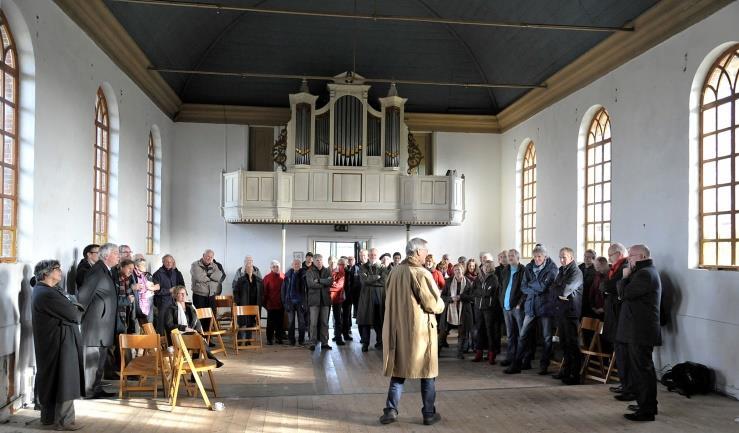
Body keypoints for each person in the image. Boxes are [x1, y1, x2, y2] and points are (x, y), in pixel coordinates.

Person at [379, 238, 445, 426]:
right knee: (427, 373)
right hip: (419, 332)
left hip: (398, 329)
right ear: (416, 252)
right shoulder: (421, 273)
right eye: (425, 251)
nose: (427, 254)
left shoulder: (394, 271)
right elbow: (433, 304)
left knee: (398, 372)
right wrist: (441, 302)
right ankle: (429, 414)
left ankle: (390, 410)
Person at [32, 260, 85, 431]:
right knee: (65, 380)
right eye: (56, 269)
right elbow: (74, 313)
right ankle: (65, 422)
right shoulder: (46, 293)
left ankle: (48, 419)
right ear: (46, 273)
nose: (60, 272)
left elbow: (73, 305)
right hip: (58, 342)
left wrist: (72, 303)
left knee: (53, 379)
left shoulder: (49, 290)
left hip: (56, 340)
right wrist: (73, 305)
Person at [617, 244, 661, 422]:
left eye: (631, 256)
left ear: (642, 255)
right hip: (637, 330)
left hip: (640, 331)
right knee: (641, 370)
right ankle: (646, 404)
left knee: (642, 370)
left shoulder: (644, 274)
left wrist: (624, 277)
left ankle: (647, 410)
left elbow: (624, 293)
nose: (628, 260)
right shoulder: (644, 272)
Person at [504, 244, 558, 375]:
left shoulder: (553, 268)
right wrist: (535, 287)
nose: (537, 259)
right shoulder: (529, 267)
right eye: (535, 256)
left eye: (539, 256)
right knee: (523, 335)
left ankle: (544, 365)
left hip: (546, 307)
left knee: (546, 337)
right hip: (531, 306)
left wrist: (532, 286)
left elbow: (543, 287)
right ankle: (517, 364)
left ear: (545, 256)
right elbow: (523, 287)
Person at [77, 242, 119, 398]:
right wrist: (78, 322)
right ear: (106, 255)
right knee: (93, 361)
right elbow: (83, 297)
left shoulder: (106, 270)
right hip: (95, 325)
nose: (118, 256)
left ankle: (95, 388)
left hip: (103, 325)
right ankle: (89, 391)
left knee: (100, 360)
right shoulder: (97, 272)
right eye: (116, 253)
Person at [164, 286, 223, 368]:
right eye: (180, 294)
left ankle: (194, 374)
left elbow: (197, 322)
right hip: (178, 337)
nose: (183, 295)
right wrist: (184, 328)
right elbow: (169, 325)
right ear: (175, 296)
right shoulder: (171, 309)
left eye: (184, 293)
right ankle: (212, 359)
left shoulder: (190, 307)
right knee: (197, 340)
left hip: (192, 335)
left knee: (197, 340)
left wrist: (200, 332)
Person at [602, 243, 631, 395]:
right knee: (618, 351)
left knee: (623, 351)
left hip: (619, 314)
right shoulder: (616, 267)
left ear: (619, 253)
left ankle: (627, 385)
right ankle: (623, 383)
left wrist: (606, 285)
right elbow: (606, 285)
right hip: (613, 313)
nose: (609, 258)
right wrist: (606, 285)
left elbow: (612, 285)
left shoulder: (625, 266)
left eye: (611, 254)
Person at [551, 247, 583, 385]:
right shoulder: (562, 270)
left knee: (572, 345)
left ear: (571, 257)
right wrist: (557, 289)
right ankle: (565, 371)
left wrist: (557, 289)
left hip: (570, 313)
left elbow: (564, 290)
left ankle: (575, 375)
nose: (562, 259)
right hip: (561, 311)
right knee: (563, 344)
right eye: (560, 257)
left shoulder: (576, 272)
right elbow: (552, 289)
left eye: (564, 257)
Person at [440, 264, 473, 359]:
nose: (457, 272)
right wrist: (451, 298)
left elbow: (472, 297)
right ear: (453, 271)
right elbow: (442, 296)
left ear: (462, 271)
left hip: (463, 311)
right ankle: (437, 351)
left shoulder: (468, 282)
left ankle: (460, 353)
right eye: (455, 270)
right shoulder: (449, 281)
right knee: (443, 332)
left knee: (462, 333)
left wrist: (461, 297)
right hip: (449, 311)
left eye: (459, 270)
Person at [471, 260, 501, 364]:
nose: (487, 268)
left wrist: (482, 292)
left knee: (490, 331)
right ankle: (479, 354)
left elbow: (491, 292)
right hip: (478, 308)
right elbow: (473, 291)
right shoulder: (478, 278)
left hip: (489, 309)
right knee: (479, 330)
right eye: (485, 266)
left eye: (489, 266)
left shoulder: (494, 278)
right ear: (482, 267)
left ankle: (491, 355)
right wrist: (483, 293)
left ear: (492, 267)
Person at [358, 248, 387, 352]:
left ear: (377, 255)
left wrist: (371, 279)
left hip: (379, 297)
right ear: (368, 256)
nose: (372, 256)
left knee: (379, 321)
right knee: (366, 321)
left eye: (374, 254)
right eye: (371, 254)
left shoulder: (383, 267)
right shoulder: (362, 267)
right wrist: (377, 277)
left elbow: (384, 281)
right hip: (367, 298)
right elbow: (364, 281)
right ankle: (365, 344)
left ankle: (380, 342)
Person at [500, 249, 525, 367]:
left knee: (521, 334)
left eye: (512, 256)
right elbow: (502, 287)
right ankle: (510, 357)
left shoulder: (523, 270)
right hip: (506, 307)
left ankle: (521, 359)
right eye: (509, 256)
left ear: (518, 257)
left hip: (517, 307)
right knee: (510, 335)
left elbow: (525, 289)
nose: (510, 257)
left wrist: (520, 303)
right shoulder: (506, 270)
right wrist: (502, 302)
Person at [190, 249, 223, 330]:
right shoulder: (195, 265)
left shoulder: (214, 265)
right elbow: (198, 277)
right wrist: (211, 278)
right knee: (200, 318)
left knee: (211, 318)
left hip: (211, 295)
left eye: (211, 257)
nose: (209, 258)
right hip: (199, 295)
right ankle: (201, 339)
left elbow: (219, 276)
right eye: (208, 256)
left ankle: (209, 340)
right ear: (203, 255)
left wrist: (206, 277)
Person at [152, 254, 185, 334]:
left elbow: (181, 286)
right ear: (163, 262)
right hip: (163, 302)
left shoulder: (176, 273)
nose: (169, 263)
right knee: (162, 324)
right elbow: (155, 291)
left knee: (173, 324)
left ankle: (173, 343)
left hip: (174, 302)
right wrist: (168, 290)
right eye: (167, 262)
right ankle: (160, 343)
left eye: (171, 262)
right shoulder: (157, 274)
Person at [306, 254, 332, 351]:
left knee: (324, 322)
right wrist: (323, 284)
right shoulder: (309, 271)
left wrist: (319, 281)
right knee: (313, 323)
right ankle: (312, 343)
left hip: (325, 301)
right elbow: (310, 284)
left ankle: (325, 343)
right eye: (317, 260)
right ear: (313, 261)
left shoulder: (327, 270)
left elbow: (330, 282)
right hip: (314, 301)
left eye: (320, 260)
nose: (319, 262)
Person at [233, 259, 263, 341]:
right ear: (245, 270)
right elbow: (235, 292)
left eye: (251, 268)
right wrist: (238, 302)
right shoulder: (240, 280)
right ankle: (239, 340)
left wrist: (260, 303)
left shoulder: (258, 280)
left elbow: (262, 293)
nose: (249, 270)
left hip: (254, 305)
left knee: (250, 323)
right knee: (242, 323)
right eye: (248, 268)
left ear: (253, 270)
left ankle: (248, 340)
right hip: (244, 304)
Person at [282, 259, 307, 345]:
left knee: (302, 322)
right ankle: (291, 340)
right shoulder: (287, 275)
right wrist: (284, 302)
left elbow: (307, 290)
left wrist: (305, 302)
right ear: (292, 265)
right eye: (295, 264)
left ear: (300, 266)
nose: (296, 265)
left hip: (301, 302)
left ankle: (301, 340)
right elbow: (283, 290)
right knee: (291, 322)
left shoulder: (304, 275)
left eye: (298, 264)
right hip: (290, 302)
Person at [262, 260, 285, 345]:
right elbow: (264, 292)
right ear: (271, 268)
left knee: (280, 322)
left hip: (281, 304)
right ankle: (269, 339)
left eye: (277, 266)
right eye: (274, 267)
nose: (276, 268)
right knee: (270, 323)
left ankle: (279, 338)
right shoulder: (267, 278)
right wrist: (265, 304)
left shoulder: (283, 276)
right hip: (270, 304)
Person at [133, 257, 159, 326]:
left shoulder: (145, 275)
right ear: (136, 266)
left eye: (145, 265)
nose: (145, 266)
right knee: (137, 326)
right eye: (143, 265)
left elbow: (158, 286)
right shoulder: (132, 275)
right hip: (137, 303)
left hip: (146, 303)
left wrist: (151, 288)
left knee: (148, 324)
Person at [329, 257, 347, 345]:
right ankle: (323, 340)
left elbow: (339, 286)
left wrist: (329, 285)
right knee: (324, 320)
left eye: (334, 262)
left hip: (337, 298)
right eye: (331, 261)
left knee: (338, 319)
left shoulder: (341, 271)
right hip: (326, 298)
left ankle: (338, 337)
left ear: (337, 263)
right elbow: (322, 284)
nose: (333, 263)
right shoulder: (325, 271)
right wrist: (330, 284)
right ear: (328, 262)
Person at [341, 257, 356, 341]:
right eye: (341, 263)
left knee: (346, 316)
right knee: (339, 317)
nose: (342, 265)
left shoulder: (349, 272)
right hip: (338, 297)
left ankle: (346, 334)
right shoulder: (336, 272)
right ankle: (338, 334)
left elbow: (352, 284)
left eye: (344, 263)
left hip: (347, 297)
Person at [579, 249, 597, 319]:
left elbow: (589, 283)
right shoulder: (580, 267)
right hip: (580, 297)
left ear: (593, 259)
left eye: (588, 257)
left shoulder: (595, 269)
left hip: (589, 299)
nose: (586, 258)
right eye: (585, 256)